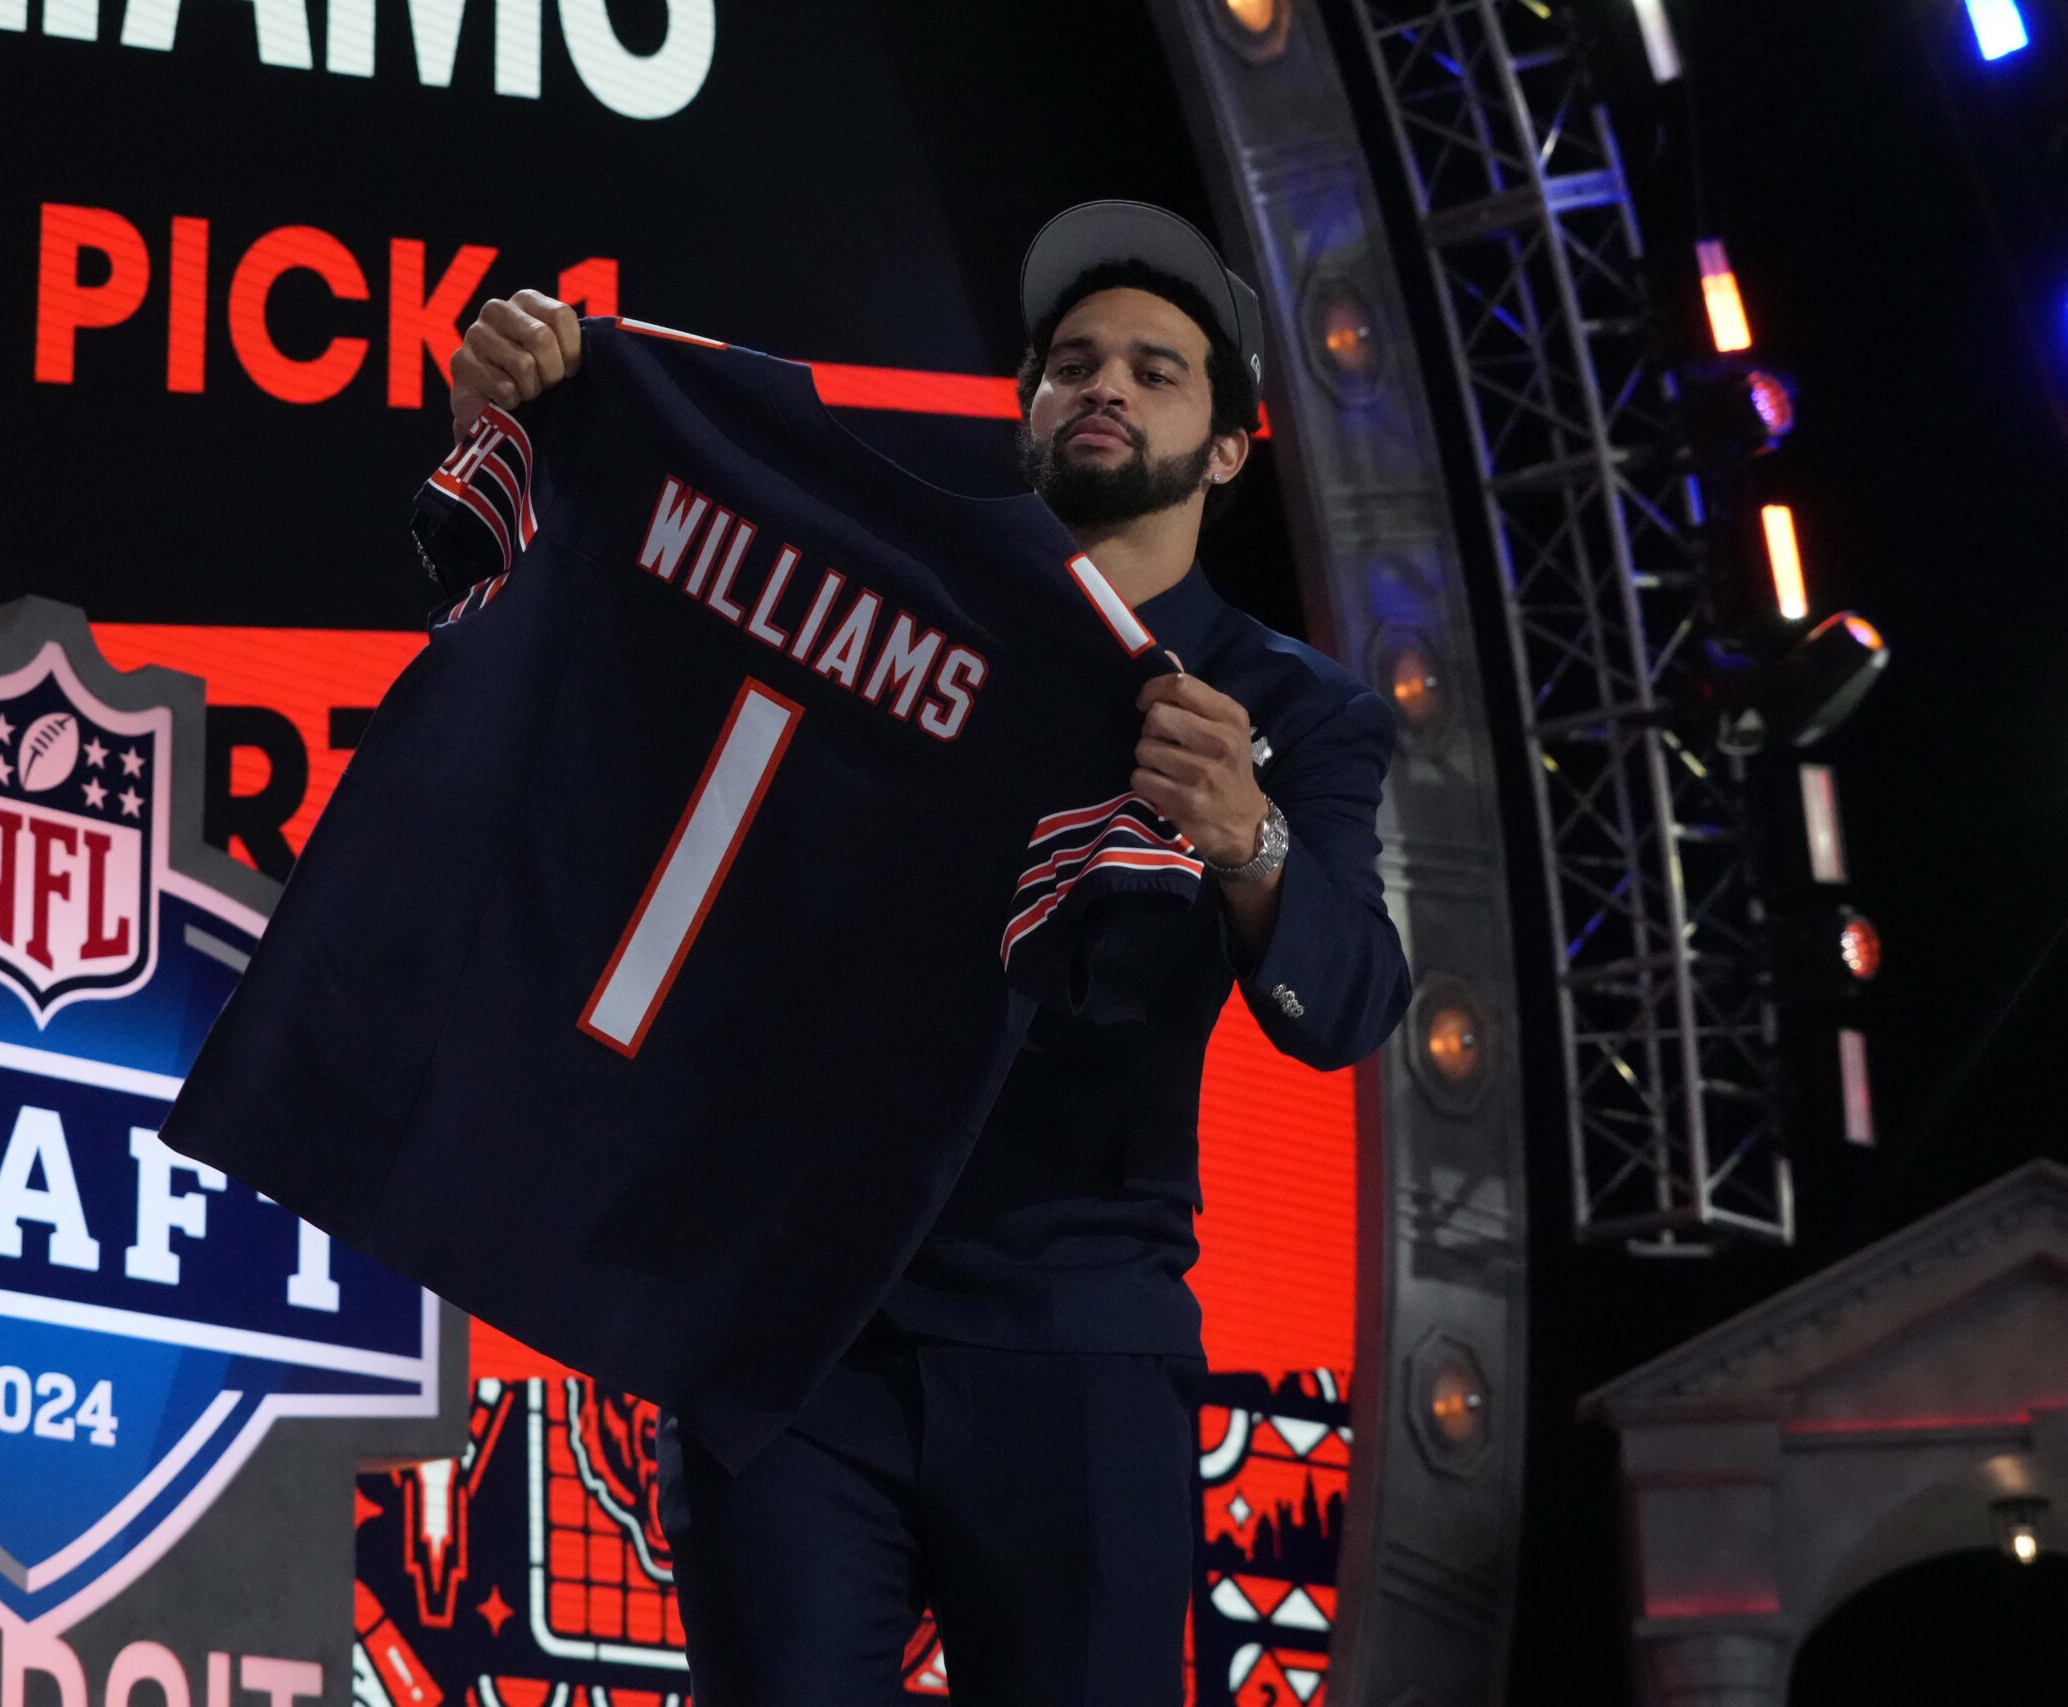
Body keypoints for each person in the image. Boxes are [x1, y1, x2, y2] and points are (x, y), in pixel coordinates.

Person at [442, 201, 1410, 1706]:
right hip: (798, 1327)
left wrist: (1250, 838)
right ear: (1024, 408)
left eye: (1159, 371)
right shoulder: (881, 602)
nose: (1106, 385)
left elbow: (1344, 1001)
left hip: (1075, 1344)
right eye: (1073, 360)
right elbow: (593, 697)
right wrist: (525, 444)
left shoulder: (1295, 711)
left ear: (1232, 448)